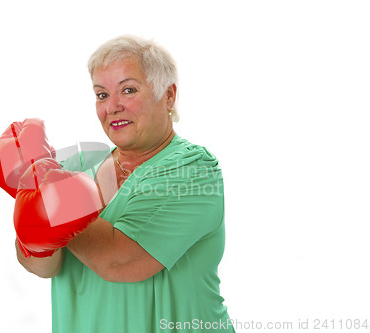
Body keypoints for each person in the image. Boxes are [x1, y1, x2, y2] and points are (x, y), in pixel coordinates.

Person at [13, 35, 235, 332]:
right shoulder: (77, 167)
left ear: (168, 96)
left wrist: (53, 205)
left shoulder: (193, 170)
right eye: (101, 94)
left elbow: (120, 262)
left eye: (128, 90)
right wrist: (32, 208)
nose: (112, 107)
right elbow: (42, 266)